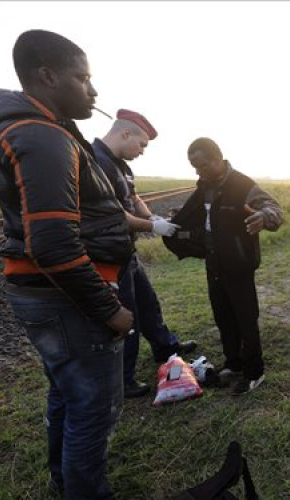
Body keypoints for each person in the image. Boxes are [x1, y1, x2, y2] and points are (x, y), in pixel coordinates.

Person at [0, 30, 134, 499]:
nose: (93, 91)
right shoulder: (41, 135)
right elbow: (54, 244)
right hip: (69, 299)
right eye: (84, 78)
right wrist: (108, 309)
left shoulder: (44, 127)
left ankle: (62, 477)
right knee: (93, 409)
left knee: (66, 392)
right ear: (47, 76)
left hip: (48, 295)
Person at [93, 109, 197, 398]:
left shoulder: (120, 164)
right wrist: (153, 226)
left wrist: (155, 219)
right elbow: (115, 214)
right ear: (126, 133)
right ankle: (124, 379)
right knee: (127, 315)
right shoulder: (96, 162)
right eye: (142, 145)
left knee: (148, 303)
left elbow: (134, 198)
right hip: (108, 255)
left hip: (127, 253)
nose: (141, 152)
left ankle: (166, 348)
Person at [169, 137, 283, 396]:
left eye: (203, 164)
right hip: (214, 265)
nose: (198, 171)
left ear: (219, 158)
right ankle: (233, 364)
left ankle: (255, 372)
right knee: (224, 318)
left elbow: (274, 208)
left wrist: (264, 216)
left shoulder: (243, 185)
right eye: (194, 166)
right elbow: (200, 216)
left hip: (239, 266)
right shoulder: (204, 187)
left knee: (246, 321)